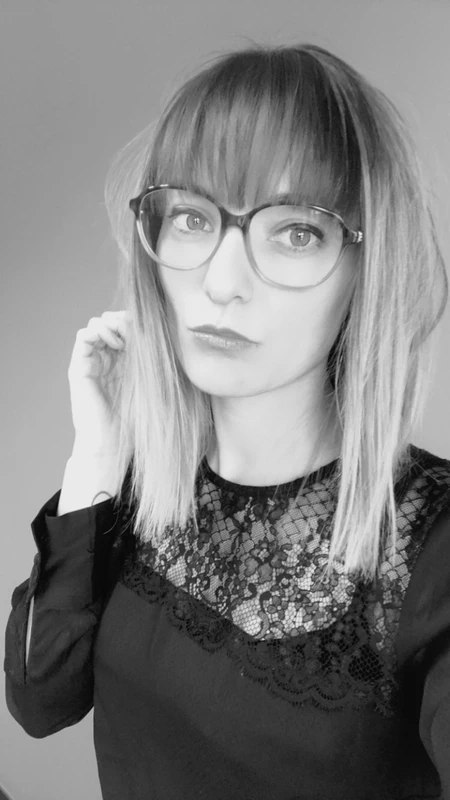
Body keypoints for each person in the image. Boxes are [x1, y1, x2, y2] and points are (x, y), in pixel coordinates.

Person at [4, 40, 450, 800]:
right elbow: (41, 698)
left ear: (366, 268)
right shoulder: (141, 487)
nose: (222, 281)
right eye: (191, 218)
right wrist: (95, 460)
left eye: (296, 231)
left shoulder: (431, 542)